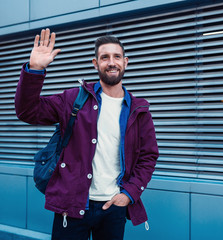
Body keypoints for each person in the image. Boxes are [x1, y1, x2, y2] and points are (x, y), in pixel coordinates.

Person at [15, 28, 159, 240]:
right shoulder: (74, 99)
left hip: (113, 207)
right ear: (95, 63)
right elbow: (28, 111)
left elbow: (148, 156)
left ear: (126, 62)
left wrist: (129, 194)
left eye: (117, 57)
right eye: (105, 57)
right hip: (72, 206)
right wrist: (34, 70)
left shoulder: (139, 110)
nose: (111, 62)